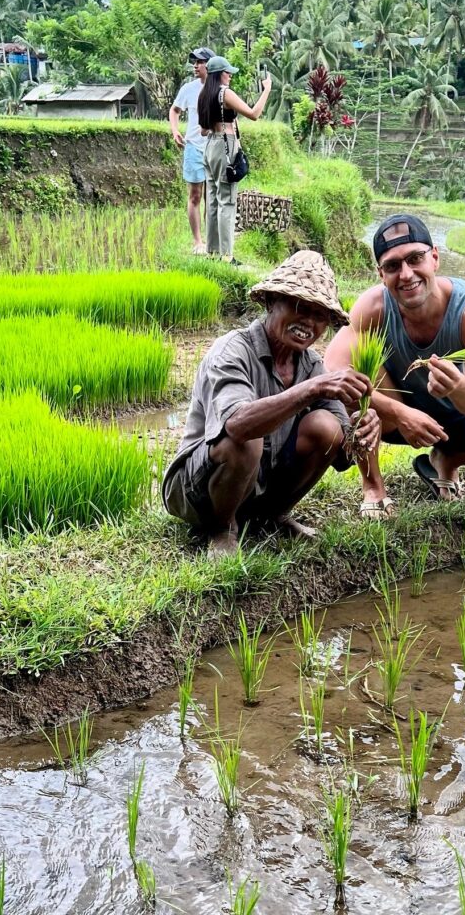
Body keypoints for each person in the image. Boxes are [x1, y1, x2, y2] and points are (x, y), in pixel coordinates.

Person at [325, 214, 465, 518]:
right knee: (354, 385)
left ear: (435, 258)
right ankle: (374, 487)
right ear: (381, 274)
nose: (406, 274)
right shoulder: (373, 308)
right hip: (395, 414)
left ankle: (447, 458)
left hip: (460, 415)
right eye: (393, 266)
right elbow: (333, 373)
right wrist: (400, 412)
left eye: (415, 258)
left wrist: (459, 388)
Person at [162, 250, 380, 555]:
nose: (308, 322)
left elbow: (339, 455)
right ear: (271, 302)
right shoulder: (232, 351)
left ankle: (274, 515)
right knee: (248, 436)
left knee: (327, 426)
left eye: (320, 315)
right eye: (298, 306)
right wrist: (310, 389)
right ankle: (222, 530)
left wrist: (361, 431)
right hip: (198, 490)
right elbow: (237, 426)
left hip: (257, 485)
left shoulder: (311, 365)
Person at [198, 55, 272, 262]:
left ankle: (212, 253)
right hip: (225, 146)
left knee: (212, 201)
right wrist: (266, 89)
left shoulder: (204, 94)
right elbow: (254, 114)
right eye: (227, 72)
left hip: (210, 147)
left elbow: (203, 130)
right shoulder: (225, 94)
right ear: (220, 75)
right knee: (227, 202)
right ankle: (227, 256)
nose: (230, 75)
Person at [169, 47, 215, 254]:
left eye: (200, 62)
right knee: (195, 195)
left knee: (212, 197)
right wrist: (175, 130)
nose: (195, 66)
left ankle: (213, 240)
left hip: (215, 148)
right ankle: (198, 242)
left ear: (210, 65)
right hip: (194, 148)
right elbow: (175, 110)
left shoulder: (220, 89)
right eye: (194, 62)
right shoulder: (188, 89)